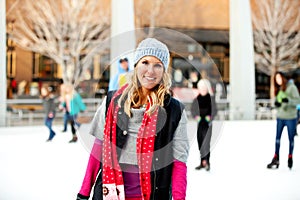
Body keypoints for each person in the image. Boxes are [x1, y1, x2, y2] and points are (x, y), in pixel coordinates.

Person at [76, 38, 189, 200]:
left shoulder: (175, 111)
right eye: (145, 62)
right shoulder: (111, 102)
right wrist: (84, 193)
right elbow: (97, 150)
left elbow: (179, 163)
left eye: (158, 65)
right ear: (136, 66)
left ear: (164, 71)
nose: (150, 71)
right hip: (110, 193)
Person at [267, 71, 300, 170]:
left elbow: (298, 101)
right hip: (280, 117)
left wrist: (289, 101)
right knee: (277, 138)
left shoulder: (292, 87)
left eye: (279, 78)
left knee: (291, 138)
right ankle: (276, 158)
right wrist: (277, 105)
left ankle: (290, 156)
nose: (278, 80)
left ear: (283, 78)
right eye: (276, 79)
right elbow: (279, 102)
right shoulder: (280, 89)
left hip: (290, 117)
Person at [191, 78, 217, 171]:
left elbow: (214, 110)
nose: (203, 90)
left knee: (206, 144)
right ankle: (202, 162)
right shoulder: (197, 99)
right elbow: (193, 110)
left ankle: (207, 162)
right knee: (200, 143)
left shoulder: (211, 98)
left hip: (208, 125)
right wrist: (196, 116)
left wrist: (209, 117)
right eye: (201, 88)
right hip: (200, 124)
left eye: (204, 88)